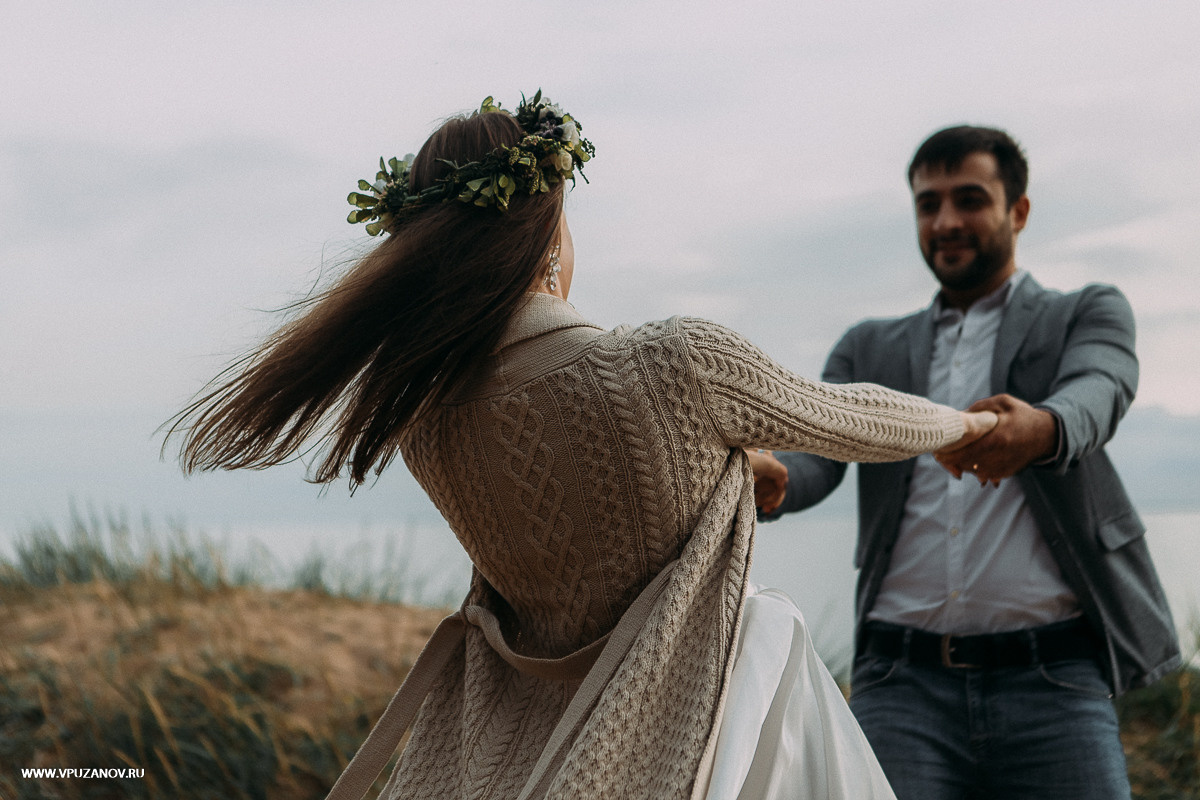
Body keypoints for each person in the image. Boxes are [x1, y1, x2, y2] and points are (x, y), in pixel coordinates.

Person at [167, 94, 997, 800]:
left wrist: (731, 467)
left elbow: (577, 511)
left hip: (533, 747)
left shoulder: (425, 424)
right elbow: (855, 417)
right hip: (709, 722)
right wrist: (970, 427)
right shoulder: (673, 362)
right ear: (545, 231)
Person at [750, 125, 1180, 799]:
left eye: (969, 199)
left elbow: (1100, 390)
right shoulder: (867, 347)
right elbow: (817, 454)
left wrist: (1041, 429)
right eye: (928, 204)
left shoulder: (1086, 312)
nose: (946, 221)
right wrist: (771, 481)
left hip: (1055, 679)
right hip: (900, 684)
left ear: (1019, 210)